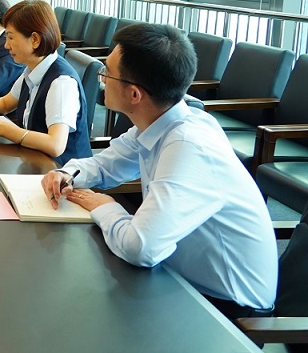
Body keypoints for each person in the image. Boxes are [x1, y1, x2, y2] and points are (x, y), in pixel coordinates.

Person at [41, 23, 277, 321]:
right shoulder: (160, 122)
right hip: (178, 276)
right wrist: (68, 173)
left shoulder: (188, 145)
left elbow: (141, 248)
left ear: (134, 94)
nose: (101, 79)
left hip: (227, 309)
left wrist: (106, 206)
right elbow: (105, 164)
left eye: (107, 73)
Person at [0, 0, 91, 165]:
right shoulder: (32, 68)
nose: (6, 45)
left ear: (35, 40)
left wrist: (2, 129)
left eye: (11, 37)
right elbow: (6, 102)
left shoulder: (61, 82)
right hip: (35, 160)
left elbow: (55, 145)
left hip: (62, 171)